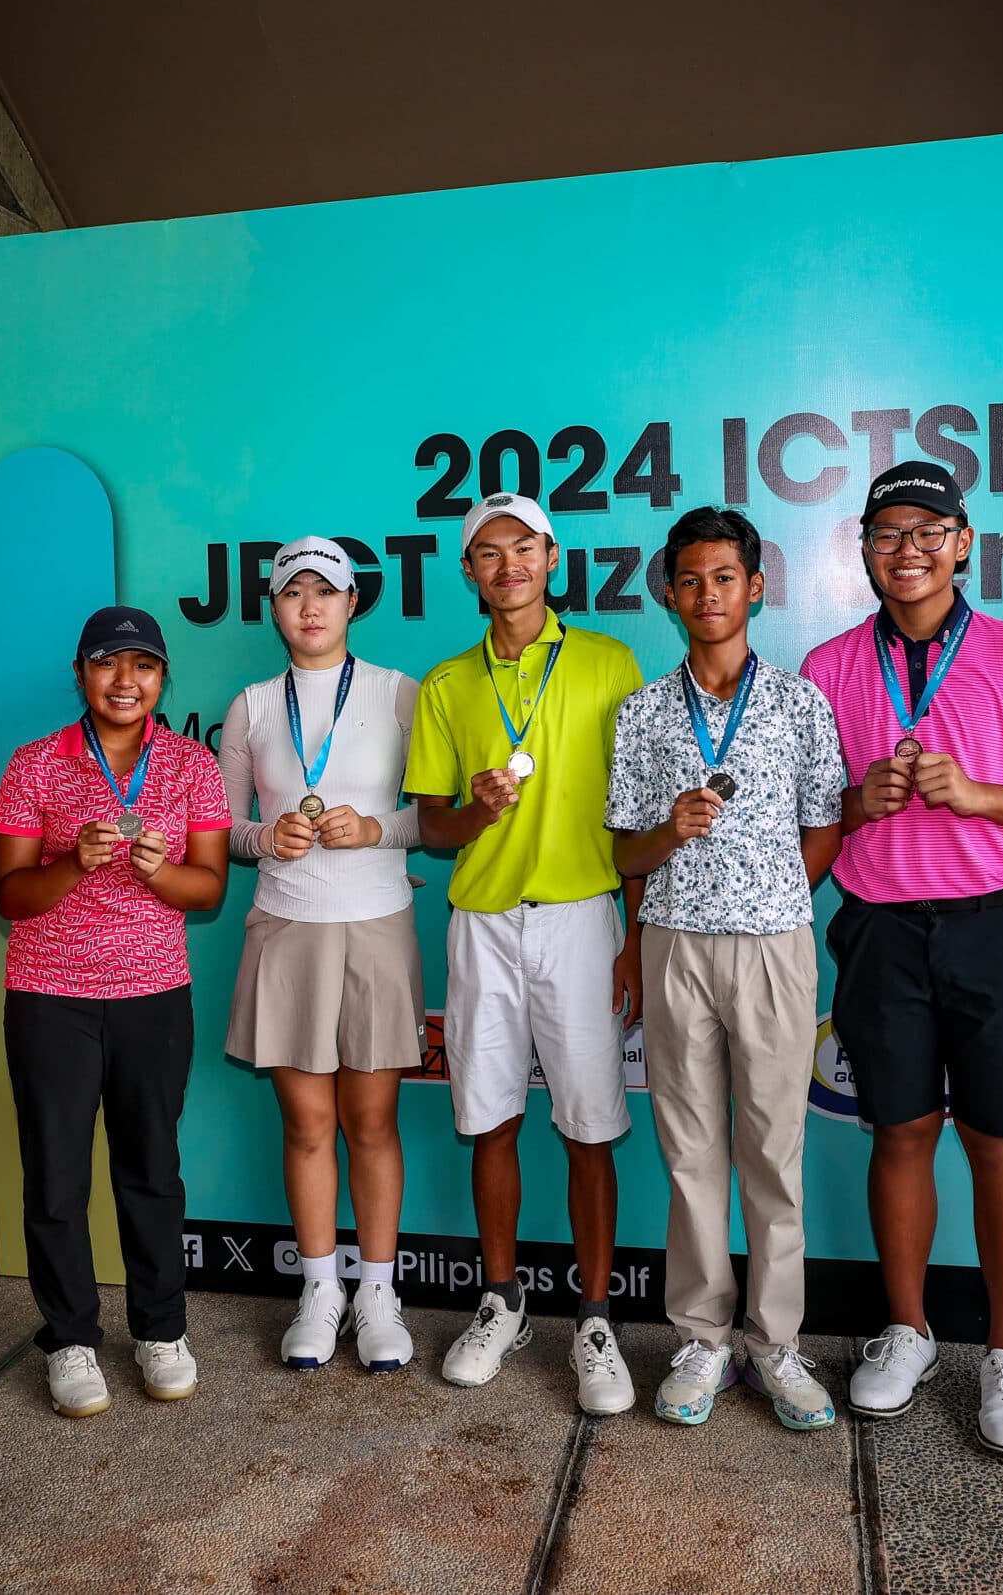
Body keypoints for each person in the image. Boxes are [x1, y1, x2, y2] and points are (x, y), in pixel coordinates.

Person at [800, 460, 1003, 1458]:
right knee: (900, 1136)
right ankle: (909, 1330)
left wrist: (977, 796)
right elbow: (804, 814)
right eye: (888, 533)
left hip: (993, 925)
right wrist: (855, 805)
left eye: (929, 529)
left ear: (964, 542)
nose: (909, 548)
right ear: (864, 551)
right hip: (880, 929)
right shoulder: (830, 667)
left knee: (1001, 1140)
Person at [404, 492, 645, 1416]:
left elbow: (635, 811)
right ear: (468, 573)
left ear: (552, 559)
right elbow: (433, 827)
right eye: (488, 552)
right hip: (483, 924)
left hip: (583, 916)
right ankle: (501, 1301)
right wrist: (477, 809)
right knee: (490, 1117)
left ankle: (592, 1318)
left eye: (524, 548)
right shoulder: (447, 684)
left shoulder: (607, 661)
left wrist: (634, 934)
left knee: (590, 1124)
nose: (507, 565)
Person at [606, 508, 847, 1430]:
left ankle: (774, 1342)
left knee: (772, 1155)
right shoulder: (643, 713)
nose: (708, 595)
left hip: (776, 946)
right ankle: (702, 1338)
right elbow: (627, 855)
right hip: (673, 942)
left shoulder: (797, 703)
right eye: (690, 579)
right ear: (668, 593)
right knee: (692, 1150)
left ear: (756, 586)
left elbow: (825, 819)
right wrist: (670, 829)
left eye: (725, 577)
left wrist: (780, 890)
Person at [0, 605, 231, 1418]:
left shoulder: (192, 765)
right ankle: (70, 1339)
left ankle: (161, 1329)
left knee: (151, 1172)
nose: (125, 681)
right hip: (50, 998)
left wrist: (157, 873)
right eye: (107, 664)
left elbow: (210, 889)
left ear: (163, 678)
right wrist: (71, 862)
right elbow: (11, 893)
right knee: (56, 1178)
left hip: (152, 996)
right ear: (81, 673)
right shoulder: (35, 764)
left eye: (143, 666)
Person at [217, 537, 425, 1371]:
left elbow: (430, 820)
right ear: (274, 608)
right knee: (305, 1123)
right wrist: (270, 834)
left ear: (351, 604)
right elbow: (227, 831)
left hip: (377, 920)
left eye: (326, 592)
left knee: (370, 1122)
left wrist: (377, 828)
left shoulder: (399, 693)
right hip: (286, 925)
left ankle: (378, 1291)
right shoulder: (251, 706)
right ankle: (320, 1288)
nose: (310, 606)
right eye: (293, 592)